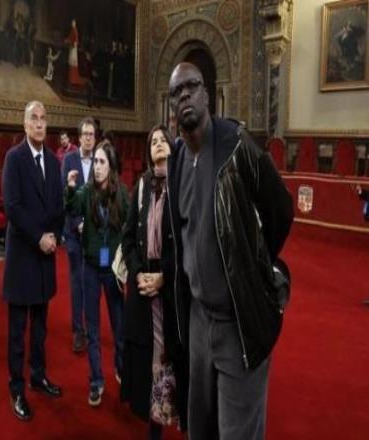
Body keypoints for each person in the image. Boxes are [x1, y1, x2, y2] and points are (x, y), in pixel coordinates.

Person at [167, 62, 293, 439]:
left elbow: (280, 208)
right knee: (200, 427)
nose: (185, 96)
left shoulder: (236, 144)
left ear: (206, 95)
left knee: (238, 432)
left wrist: (256, 268)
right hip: (198, 320)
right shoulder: (176, 158)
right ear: (171, 105)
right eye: (176, 92)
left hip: (238, 321)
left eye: (191, 87)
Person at [121, 125, 188, 439]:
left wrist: (164, 277)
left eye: (163, 140)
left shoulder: (183, 185)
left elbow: (189, 243)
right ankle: (153, 428)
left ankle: (177, 418)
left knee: (170, 358)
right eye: (153, 142)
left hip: (171, 287)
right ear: (149, 153)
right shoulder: (141, 187)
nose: (159, 144)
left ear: (172, 147)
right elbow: (128, 238)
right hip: (143, 286)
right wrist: (138, 274)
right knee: (148, 360)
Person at [2, 100, 65, 422]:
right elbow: (12, 207)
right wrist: (39, 236)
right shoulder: (14, 158)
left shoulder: (53, 161)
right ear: (25, 125)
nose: (39, 124)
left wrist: (54, 236)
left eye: (43, 118)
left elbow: (58, 205)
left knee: (40, 328)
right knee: (17, 332)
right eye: (34, 119)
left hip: (45, 257)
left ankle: (38, 377)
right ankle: (17, 389)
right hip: (23, 256)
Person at [65, 140, 129, 407]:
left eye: (103, 162)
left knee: (119, 328)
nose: (98, 167)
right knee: (92, 329)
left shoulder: (122, 193)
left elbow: (130, 226)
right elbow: (71, 208)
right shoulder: (86, 191)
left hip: (112, 270)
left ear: (111, 166)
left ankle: (121, 369)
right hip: (90, 267)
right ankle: (96, 381)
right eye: (96, 162)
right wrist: (70, 188)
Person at [61, 118, 96, 353]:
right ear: (79, 137)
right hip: (73, 233)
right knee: (76, 282)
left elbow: (105, 197)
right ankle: (78, 331)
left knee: (94, 281)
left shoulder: (101, 159)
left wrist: (91, 223)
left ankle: (92, 327)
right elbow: (65, 196)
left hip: (95, 235)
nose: (88, 138)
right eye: (85, 134)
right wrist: (78, 223)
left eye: (92, 135)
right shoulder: (69, 160)